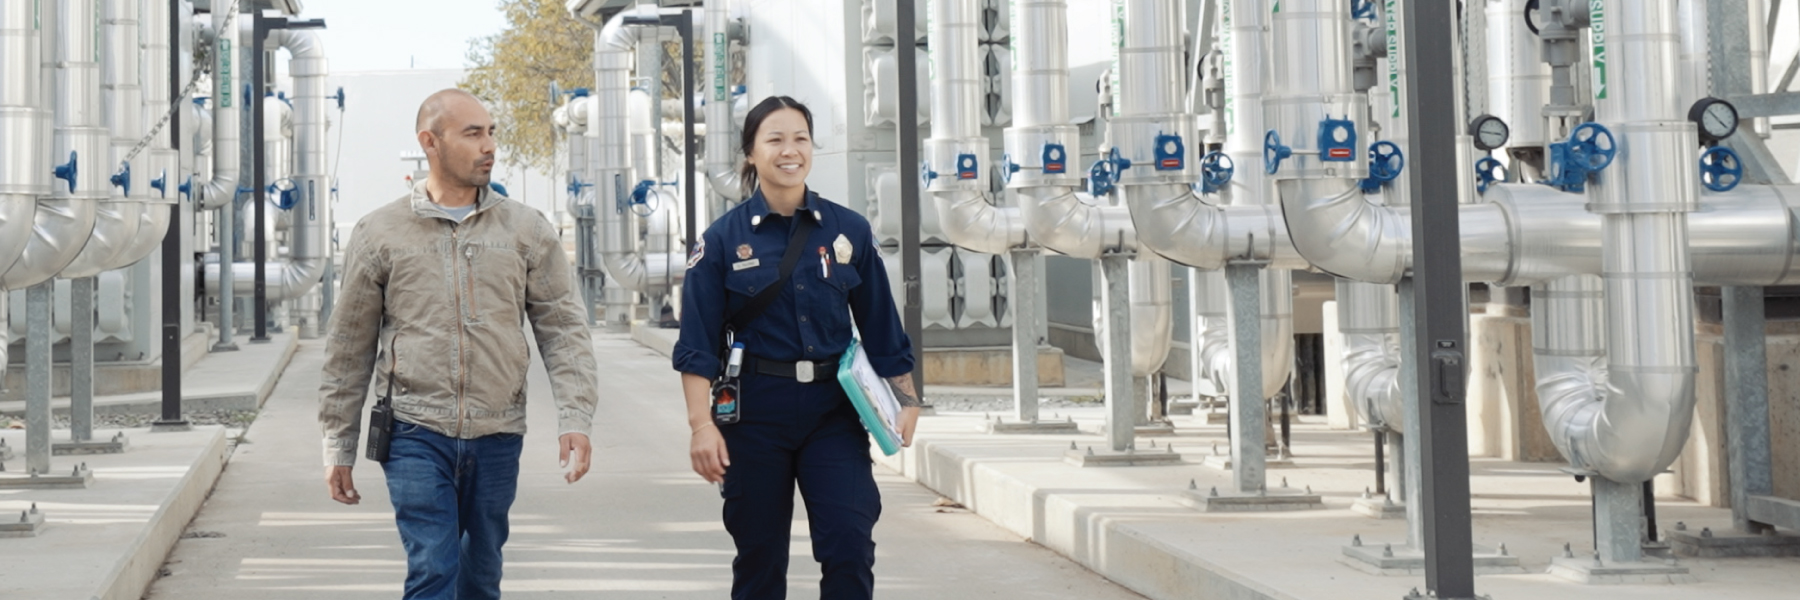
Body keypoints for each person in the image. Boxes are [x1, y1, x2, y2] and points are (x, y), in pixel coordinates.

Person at [317, 88, 599, 600]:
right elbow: (348, 347)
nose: (489, 145)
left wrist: (575, 417)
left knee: (481, 572)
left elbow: (564, 330)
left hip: (497, 431)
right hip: (413, 429)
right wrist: (338, 444)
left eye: (491, 132)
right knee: (432, 567)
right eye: (473, 133)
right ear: (430, 141)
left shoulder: (526, 230)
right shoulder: (380, 232)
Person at [673, 95, 923, 600]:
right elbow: (696, 344)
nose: (790, 150)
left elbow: (880, 323)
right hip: (755, 415)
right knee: (761, 560)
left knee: (850, 544)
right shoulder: (721, 241)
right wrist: (702, 426)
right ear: (751, 153)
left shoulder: (848, 229)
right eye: (775, 139)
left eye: (801, 138)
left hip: (833, 411)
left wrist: (907, 398)